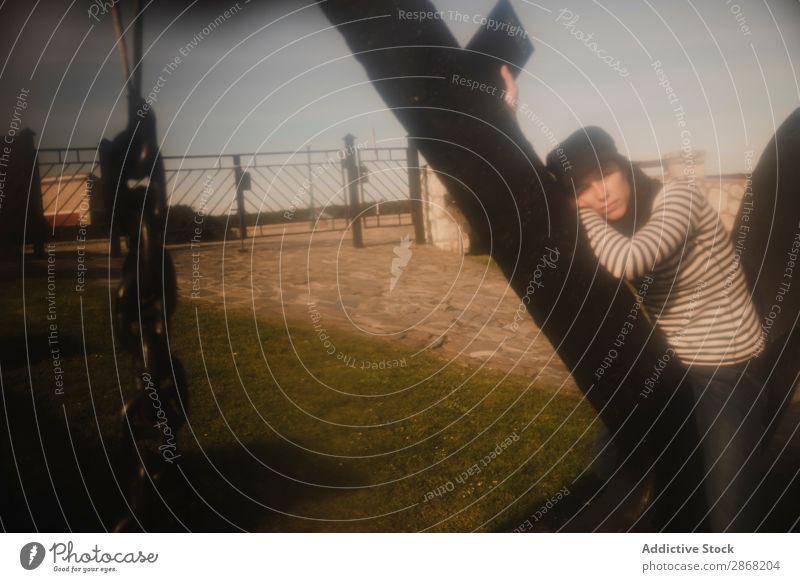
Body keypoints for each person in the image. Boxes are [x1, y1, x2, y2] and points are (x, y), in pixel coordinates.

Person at [500, 66, 768, 531]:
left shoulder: (679, 199)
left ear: (624, 165)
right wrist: (506, 119)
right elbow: (535, 196)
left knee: (728, 497)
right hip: (676, 360)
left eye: (604, 174)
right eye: (582, 188)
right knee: (621, 454)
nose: (599, 194)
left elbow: (630, 261)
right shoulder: (619, 217)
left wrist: (579, 212)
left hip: (728, 367)